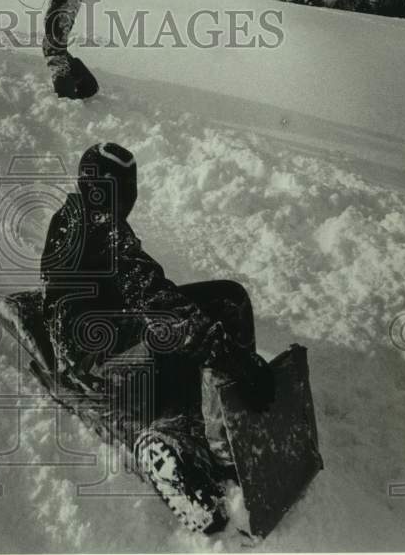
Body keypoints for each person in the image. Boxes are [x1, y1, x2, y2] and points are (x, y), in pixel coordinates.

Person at [39, 143, 275, 433]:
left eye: (131, 186)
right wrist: (232, 357)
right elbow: (151, 292)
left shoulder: (76, 215)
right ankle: (180, 430)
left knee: (226, 297)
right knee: (177, 329)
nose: (129, 196)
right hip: (91, 356)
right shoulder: (100, 227)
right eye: (122, 187)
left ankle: (229, 402)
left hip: (95, 329)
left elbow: (139, 286)